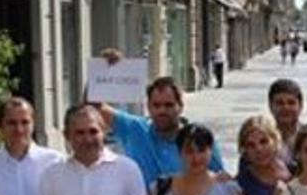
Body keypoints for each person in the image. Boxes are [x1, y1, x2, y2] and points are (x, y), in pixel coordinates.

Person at [93, 49, 225, 186]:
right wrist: (101, 70)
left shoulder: (200, 139)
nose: (162, 111)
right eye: (156, 105)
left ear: (180, 106)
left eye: (169, 105)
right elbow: (93, 107)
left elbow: (221, 181)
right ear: (148, 107)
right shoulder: (135, 129)